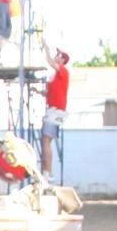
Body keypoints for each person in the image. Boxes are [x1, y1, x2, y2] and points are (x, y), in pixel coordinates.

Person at [41, 42, 70, 176]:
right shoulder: (57, 77)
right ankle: (47, 171)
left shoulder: (63, 71)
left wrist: (46, 48)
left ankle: (48, 172)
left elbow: (49, 61)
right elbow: (51, 93)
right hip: (56, 110)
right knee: (47, 140)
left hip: (55, 111)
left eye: (58, 55)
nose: (56, 56)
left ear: (63, 60)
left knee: (46, 140)